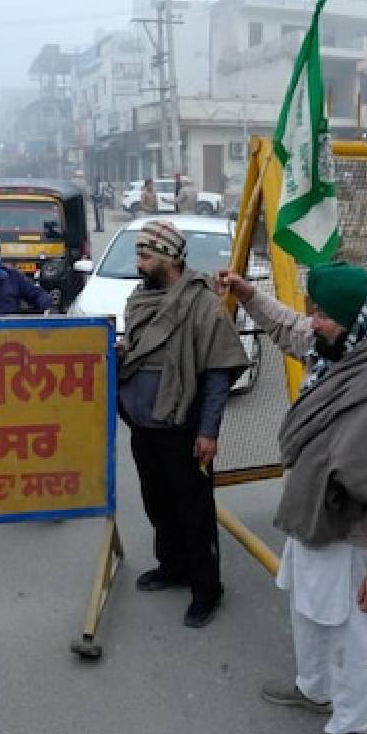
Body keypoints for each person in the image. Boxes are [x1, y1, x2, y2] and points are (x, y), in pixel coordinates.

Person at [216, 262, 367, 734]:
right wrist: (247, 293)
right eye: (312, 308)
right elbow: (284, 326)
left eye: (321, 313)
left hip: (358, 537)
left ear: (354, 316)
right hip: (314, 520)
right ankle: (314, 688)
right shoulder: (336, 350)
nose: (310, 320)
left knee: (353, 635)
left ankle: (350, 724)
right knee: (309, 613)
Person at [119, 220, 249, 628]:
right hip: (144, 427)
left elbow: (216, 375)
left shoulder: (203, 305)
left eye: (146, 255)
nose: (138, 263)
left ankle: (207, 590)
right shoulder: (141, 299)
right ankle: (172, 567)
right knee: (158, 505)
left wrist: (208, 432)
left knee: (194, 513)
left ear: (169, 259)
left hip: (183, 429)